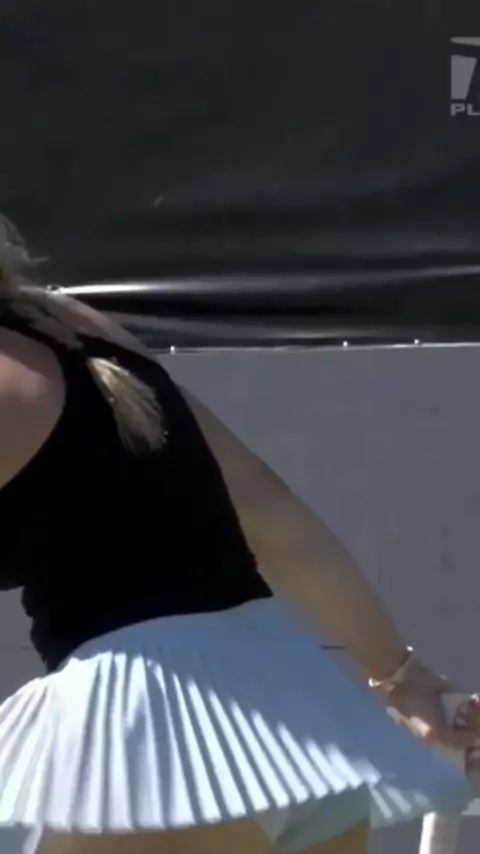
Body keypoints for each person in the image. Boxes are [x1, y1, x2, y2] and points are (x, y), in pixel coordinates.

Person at [0, 215, 475, 854]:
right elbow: (274, 517)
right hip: (297, 726)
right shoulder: (73, 327)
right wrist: (400, 675)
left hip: (152, 744)